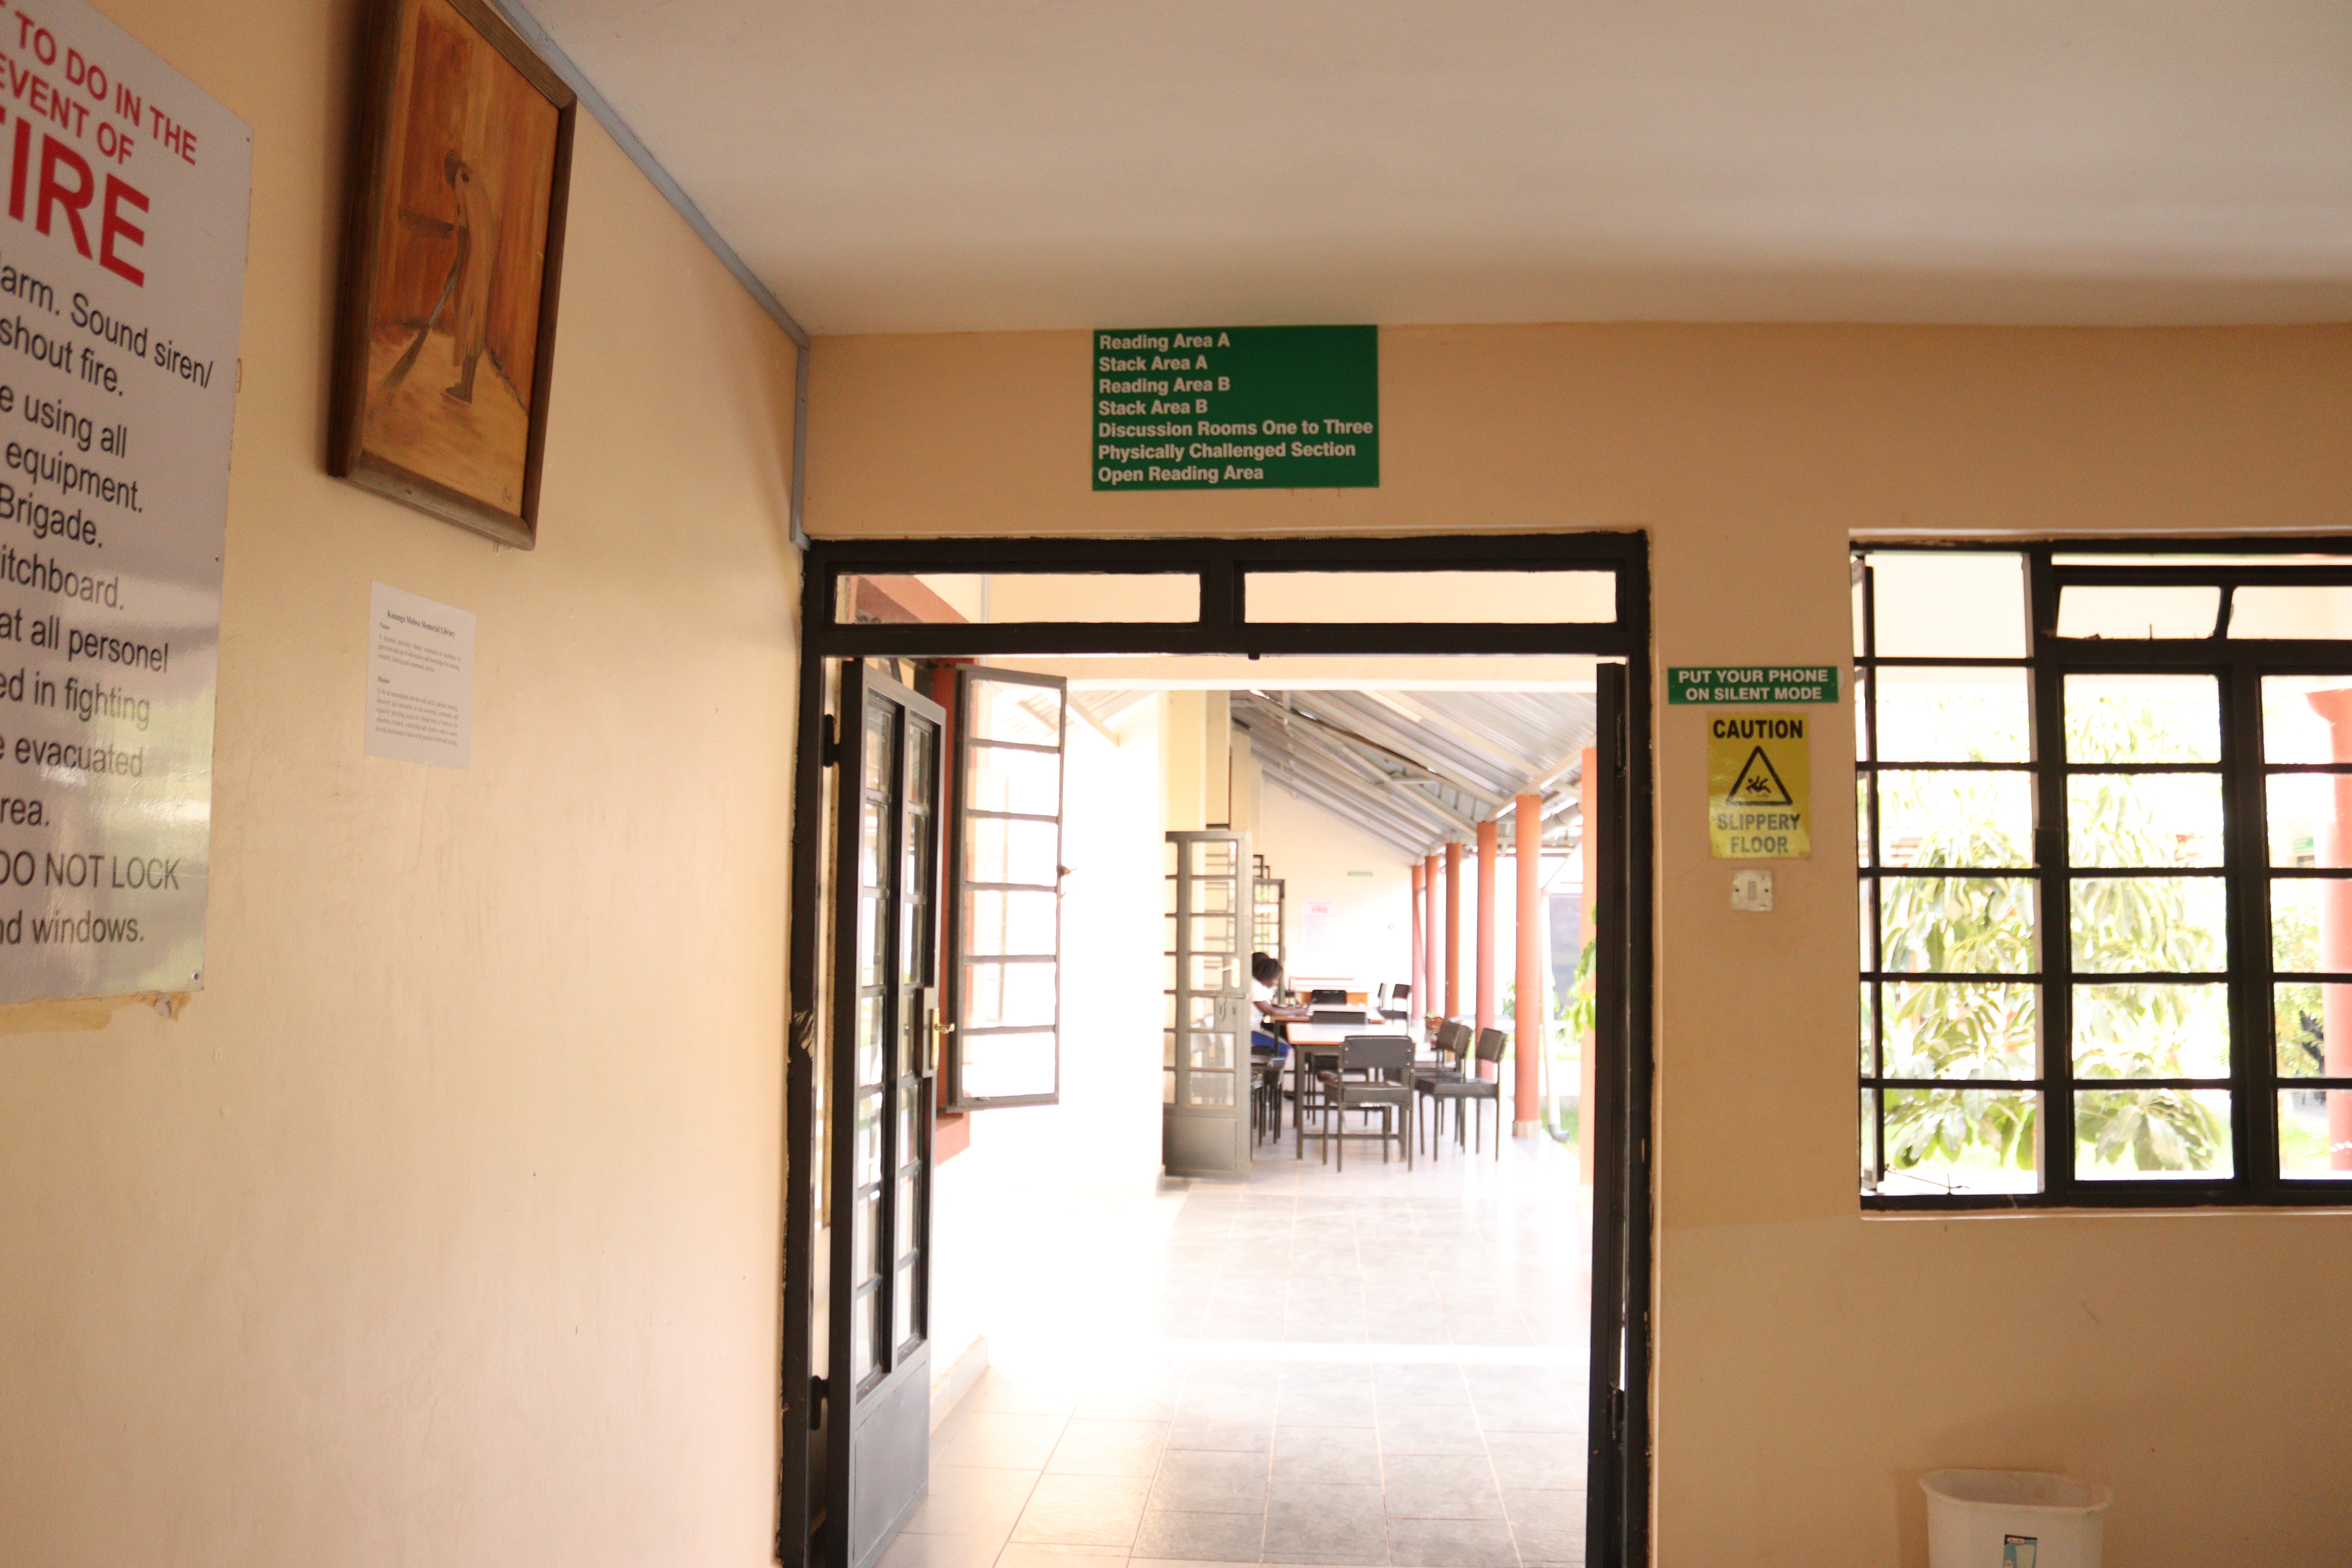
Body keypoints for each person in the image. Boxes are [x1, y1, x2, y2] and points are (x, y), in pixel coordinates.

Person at [1250, 951, 1290, 1059]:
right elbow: (1270, 1011)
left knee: (1286, 1042)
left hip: (1254, 1029)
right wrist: (1296, 1011)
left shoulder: (1258, 984)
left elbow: (1270, 1006)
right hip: (1248, 1032)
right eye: (1275, 979)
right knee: (1286, 1049)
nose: (1276, 983)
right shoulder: (1254, 985)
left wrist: (1290, 1010)